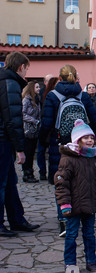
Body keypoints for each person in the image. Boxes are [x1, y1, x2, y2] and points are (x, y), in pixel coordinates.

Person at [39, 64, 96, 237]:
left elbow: (46, 123)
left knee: (62, 181)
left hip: (60, 145)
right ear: (76, 78)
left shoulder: (52, 95)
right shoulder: (83, 95)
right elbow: (95, 120)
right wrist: (95, 141)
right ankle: (86, 217)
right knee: (84, 179)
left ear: (60, 78)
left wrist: (43, 141)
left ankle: (64, 220)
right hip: (82, 144)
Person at [55, 119, 96, 273]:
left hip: (89, 204)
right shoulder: (69, 159)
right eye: (85, 138)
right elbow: (61, 183)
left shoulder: (95, 157)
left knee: (90, 235)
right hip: (74, 205)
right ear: (78, 140)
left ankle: (91, 261)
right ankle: (70, 263)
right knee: (71, 235)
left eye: (91, 137)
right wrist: (64, 204)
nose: (89, 140)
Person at [0, 52, 40, 237]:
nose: (27, 73)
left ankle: (17, 220)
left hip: (4, 139)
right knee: (2, 183)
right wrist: (20, 149)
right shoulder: (10, 83)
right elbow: (13, 119)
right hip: (3, 141)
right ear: (20, 67)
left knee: (10, 183)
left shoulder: (8, 81)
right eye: (27, 68)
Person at [37, 77, 58, 181]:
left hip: (52, 128)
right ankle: (43, 172)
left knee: (52, 153)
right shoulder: (46, 95)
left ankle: (50, 174)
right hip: (46, 127)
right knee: (42, 151)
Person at [21, 81, 41, 183]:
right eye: (37, 87)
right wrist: (35, 121)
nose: (39, 89)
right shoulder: (26, 100)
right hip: (28, 130)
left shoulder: (37, 99)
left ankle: (30, 173)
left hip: (34, 130)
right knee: (28, 153)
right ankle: (27, 174)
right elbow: (23, 114)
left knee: (31, 153)